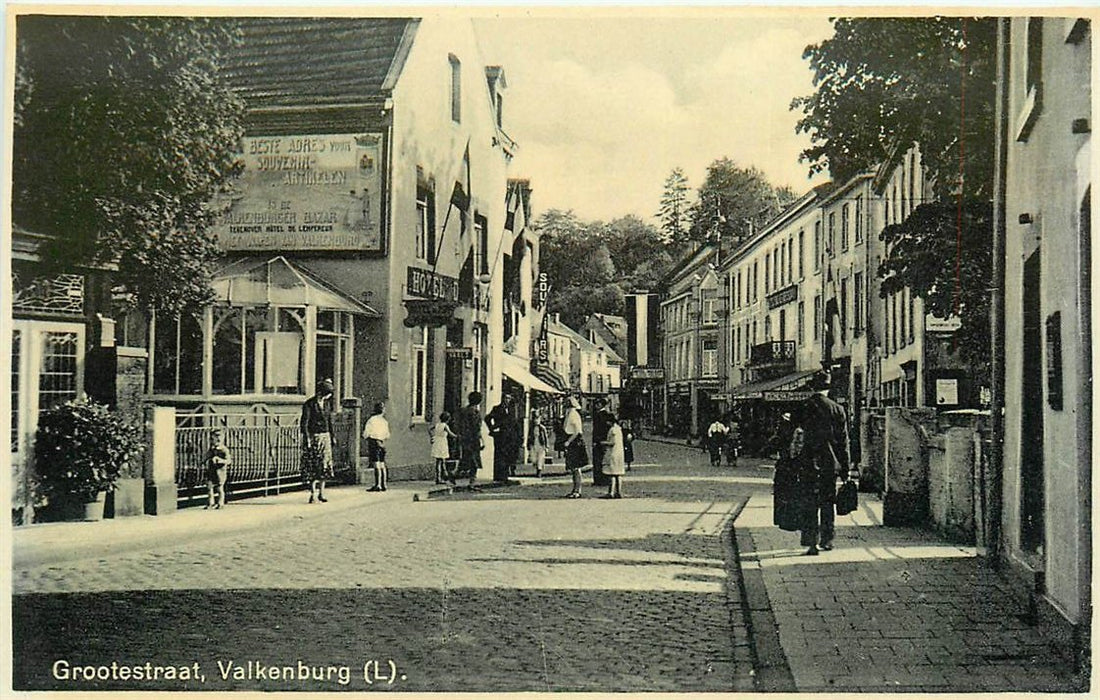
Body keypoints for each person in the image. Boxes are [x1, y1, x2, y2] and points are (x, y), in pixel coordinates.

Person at [794, 371, 853, 555]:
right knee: (828, 503)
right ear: (829, 388)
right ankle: (827, 541)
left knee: (809, 502)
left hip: (808, 462)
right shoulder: (838, 409)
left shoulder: (804, 406)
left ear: (813, 387)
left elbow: (796, 435)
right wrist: (846, 468)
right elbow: (844, 442)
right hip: (830, 463)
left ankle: (811, 542)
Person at [300, 378, 336, 504]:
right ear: (321, 393)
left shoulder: (327, 404)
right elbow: (304, 423)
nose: (328, 397)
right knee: (313, 466)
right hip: (314, 437)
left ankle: (322, 493)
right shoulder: (309, 404)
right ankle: (312, 494)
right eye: (326, 394)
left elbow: (329, 420)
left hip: (325, 436)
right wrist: (307, 438)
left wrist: (332, 435)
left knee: (324, 465)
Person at [770, 411, 801, 531]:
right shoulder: (798, 431)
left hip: (784, 466)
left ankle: (784, 520)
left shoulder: (784, 433)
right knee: (792, 493)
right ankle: (793, 520)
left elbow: (773, 444)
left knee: (783, 493)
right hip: (794, 467)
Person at [453, 391, 484, 491]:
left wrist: (460, 435)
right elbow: (477, 428)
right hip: (473, 439)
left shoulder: (463, 411)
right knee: (474, 461)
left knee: (465, 460)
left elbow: (457, 424)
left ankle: (454, 476)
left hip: (465, 439)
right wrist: (481, 439)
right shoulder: (475, 412)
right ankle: (471, 482)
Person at [485, 395, 520, 482]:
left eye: (509, 398)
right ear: (502, 399)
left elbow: (515, 422)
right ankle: (498, 476)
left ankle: (505, 475)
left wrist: (518, 435)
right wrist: (492, 428)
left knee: (508, 455)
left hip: (510, 436)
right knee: (499, 455)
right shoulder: (497, 409)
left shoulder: (512, 410)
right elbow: (487, 418)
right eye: (506, 398)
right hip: (500, 435)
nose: (507, 400)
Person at [562, 395, 588, 498]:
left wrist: (568, 441)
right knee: (573, 468)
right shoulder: (569, 414)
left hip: (575, 442)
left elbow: (577, 431)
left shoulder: (574, 414)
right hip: (571, 441)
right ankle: (574, 489)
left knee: (576, 468)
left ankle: (578, 490)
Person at [363, 402, 391, 492]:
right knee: (382, 463)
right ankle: (384, 484)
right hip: (382, 442)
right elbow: (387, 434)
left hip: (374, 441)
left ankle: (377, 484)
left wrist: (366, 436)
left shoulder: (372, 420)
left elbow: (367, 432)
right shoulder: (384, 421)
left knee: (376, 464)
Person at [204, 428, 231, 510]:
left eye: (219, 437)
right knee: (209, 487)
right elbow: (207, 456)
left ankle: (220, 503)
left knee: (219, 488)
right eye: (213, 438)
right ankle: (211, 503)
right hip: (211, 470)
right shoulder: (212, 449)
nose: (216, 439)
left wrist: (221, 460)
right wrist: (203, 460)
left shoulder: (224, 450)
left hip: (220, 472)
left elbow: (229, 461)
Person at [601, 413, 626, 499]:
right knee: (618, 473)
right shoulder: (619, 428)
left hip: (613, 453)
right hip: (619, 453)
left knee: (612, 474)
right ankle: (618, 492)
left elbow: (613, 442)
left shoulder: (613, 430)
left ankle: (611, 492)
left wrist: (603, 443)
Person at [591, 398, 614, 487]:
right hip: (604, 440)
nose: (596, 405)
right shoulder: (606, 414)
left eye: (598, 403)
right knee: (602, 460)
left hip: (599, 441)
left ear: (601, 405)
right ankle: (603, 479)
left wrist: (595, 441)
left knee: (598, 460)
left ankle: (599, 480)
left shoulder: (600, 415)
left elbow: (597, 430)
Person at [431, 411, 457, 484]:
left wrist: (432, 437)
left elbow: (429, 429)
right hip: (442, 443)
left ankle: (439, 477)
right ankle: (441, 478)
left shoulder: (437, 425)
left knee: (438, 461)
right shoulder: (445, 425)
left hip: (436, 442)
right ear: (447, 419)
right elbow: (450, 433)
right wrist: (457, 436)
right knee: (442, 460)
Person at [528, 411, 550, 478]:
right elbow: (529, 436)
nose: (536, 421)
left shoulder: (542, 428)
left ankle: (539, 471)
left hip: (541, 445)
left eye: (538, 419)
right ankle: (537, 466)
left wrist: (546, 446)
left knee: (540, 458)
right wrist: (528, 444)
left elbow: (545, 437)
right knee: (533, 459)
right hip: (534, 444)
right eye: (535, 419)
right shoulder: (531, 428)